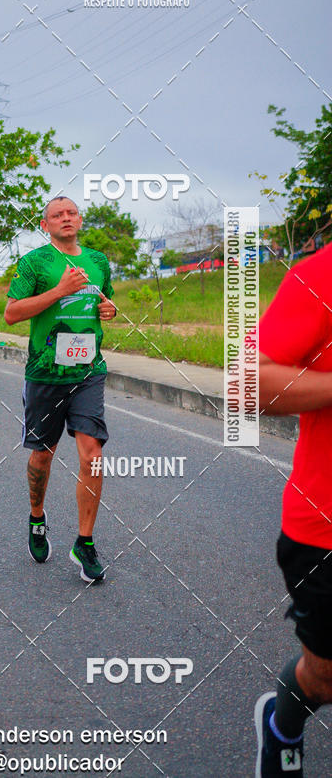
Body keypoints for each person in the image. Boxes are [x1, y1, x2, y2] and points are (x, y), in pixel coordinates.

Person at [4, 196, 116, 583]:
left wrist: (109, 310)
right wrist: (58, 291)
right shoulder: (35, 262)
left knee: (93, 452)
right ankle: (37, 518)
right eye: (57, 215)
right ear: (45, 223)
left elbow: (104, 300)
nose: (65, 218)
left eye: (70, 213)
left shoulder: (98, 261)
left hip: (88, 371)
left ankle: (84, 542)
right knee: (42, 456)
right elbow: (12, 313)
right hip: (45, 374)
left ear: (79, 219)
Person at [255, 243, 332, 777]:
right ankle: (282, 724)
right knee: (326, 676)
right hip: (324, 528)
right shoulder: (321, 274)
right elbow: (250, 381)